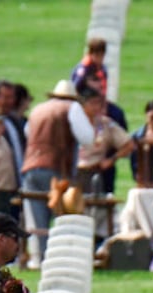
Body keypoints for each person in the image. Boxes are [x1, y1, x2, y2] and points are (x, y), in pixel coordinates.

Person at [20, 79, 95, 264]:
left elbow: (27, 133)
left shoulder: (38, 110)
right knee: (63, 217)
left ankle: (38, 259)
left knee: (36, 220)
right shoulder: (72, 108)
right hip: (56, 169)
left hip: (30, 168)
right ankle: (62, 260)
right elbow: (87, 137)